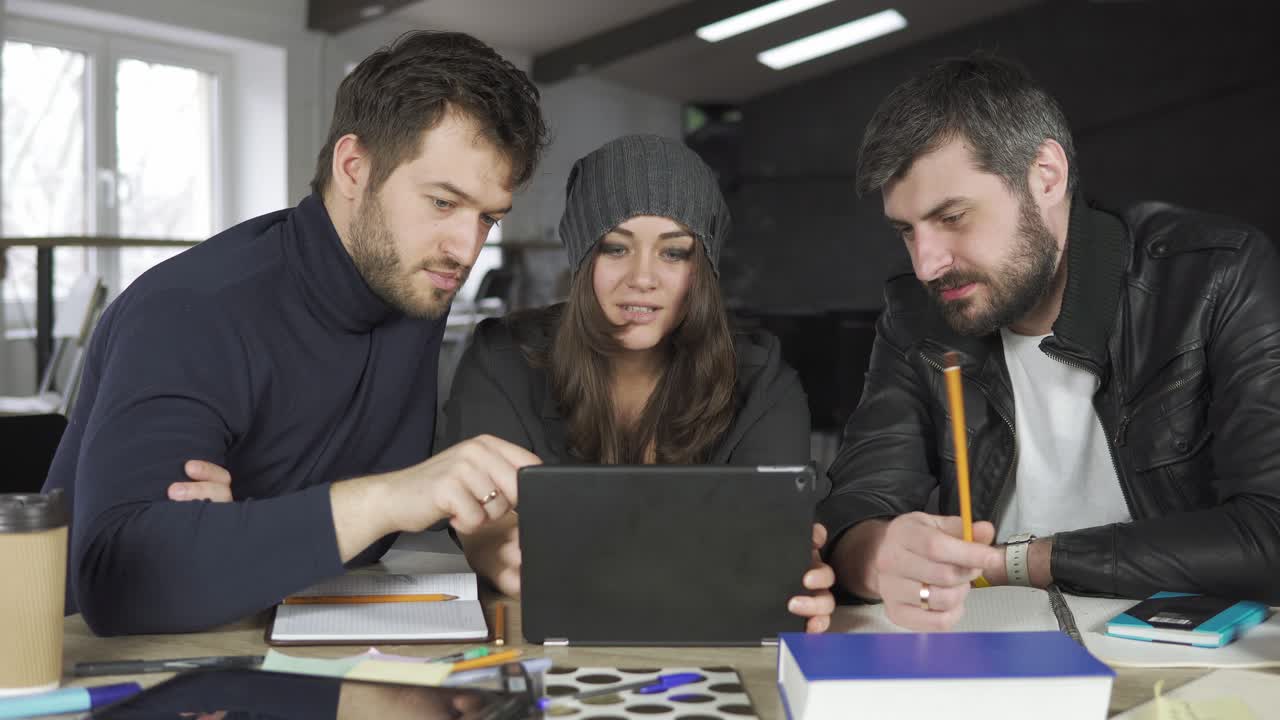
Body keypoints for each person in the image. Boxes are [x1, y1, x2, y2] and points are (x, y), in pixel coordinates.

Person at [42, 30, 549, 636]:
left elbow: (347, 525)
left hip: (282, 644)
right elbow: (117, 582)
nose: (467, 249)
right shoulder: (189, 310)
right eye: (443, 202)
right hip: (91, 664)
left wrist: (481, 528)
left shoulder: (412, 277)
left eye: (487, 217)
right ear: (354, 167)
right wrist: (389, 498)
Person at [819, 52, 1280, 631]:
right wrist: (876, 556)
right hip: (990, 642)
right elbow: (856, 504)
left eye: (953, 217)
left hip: (1181, 652)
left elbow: (1270, 530)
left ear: (1046, 175)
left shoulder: (1215, 276)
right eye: (907, 231)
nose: (927, 264)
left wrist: (1019, 561)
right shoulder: (917, 315)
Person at [441, 134, 835, 632]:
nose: (643, 278)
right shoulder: (503, 360)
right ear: (581, 257)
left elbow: (774, 540)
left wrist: (795, 566)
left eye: (674, 253)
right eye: (616, 247)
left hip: (708, 641)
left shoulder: (762, 379)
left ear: (704, 266)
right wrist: (499, 549)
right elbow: (485, 523)